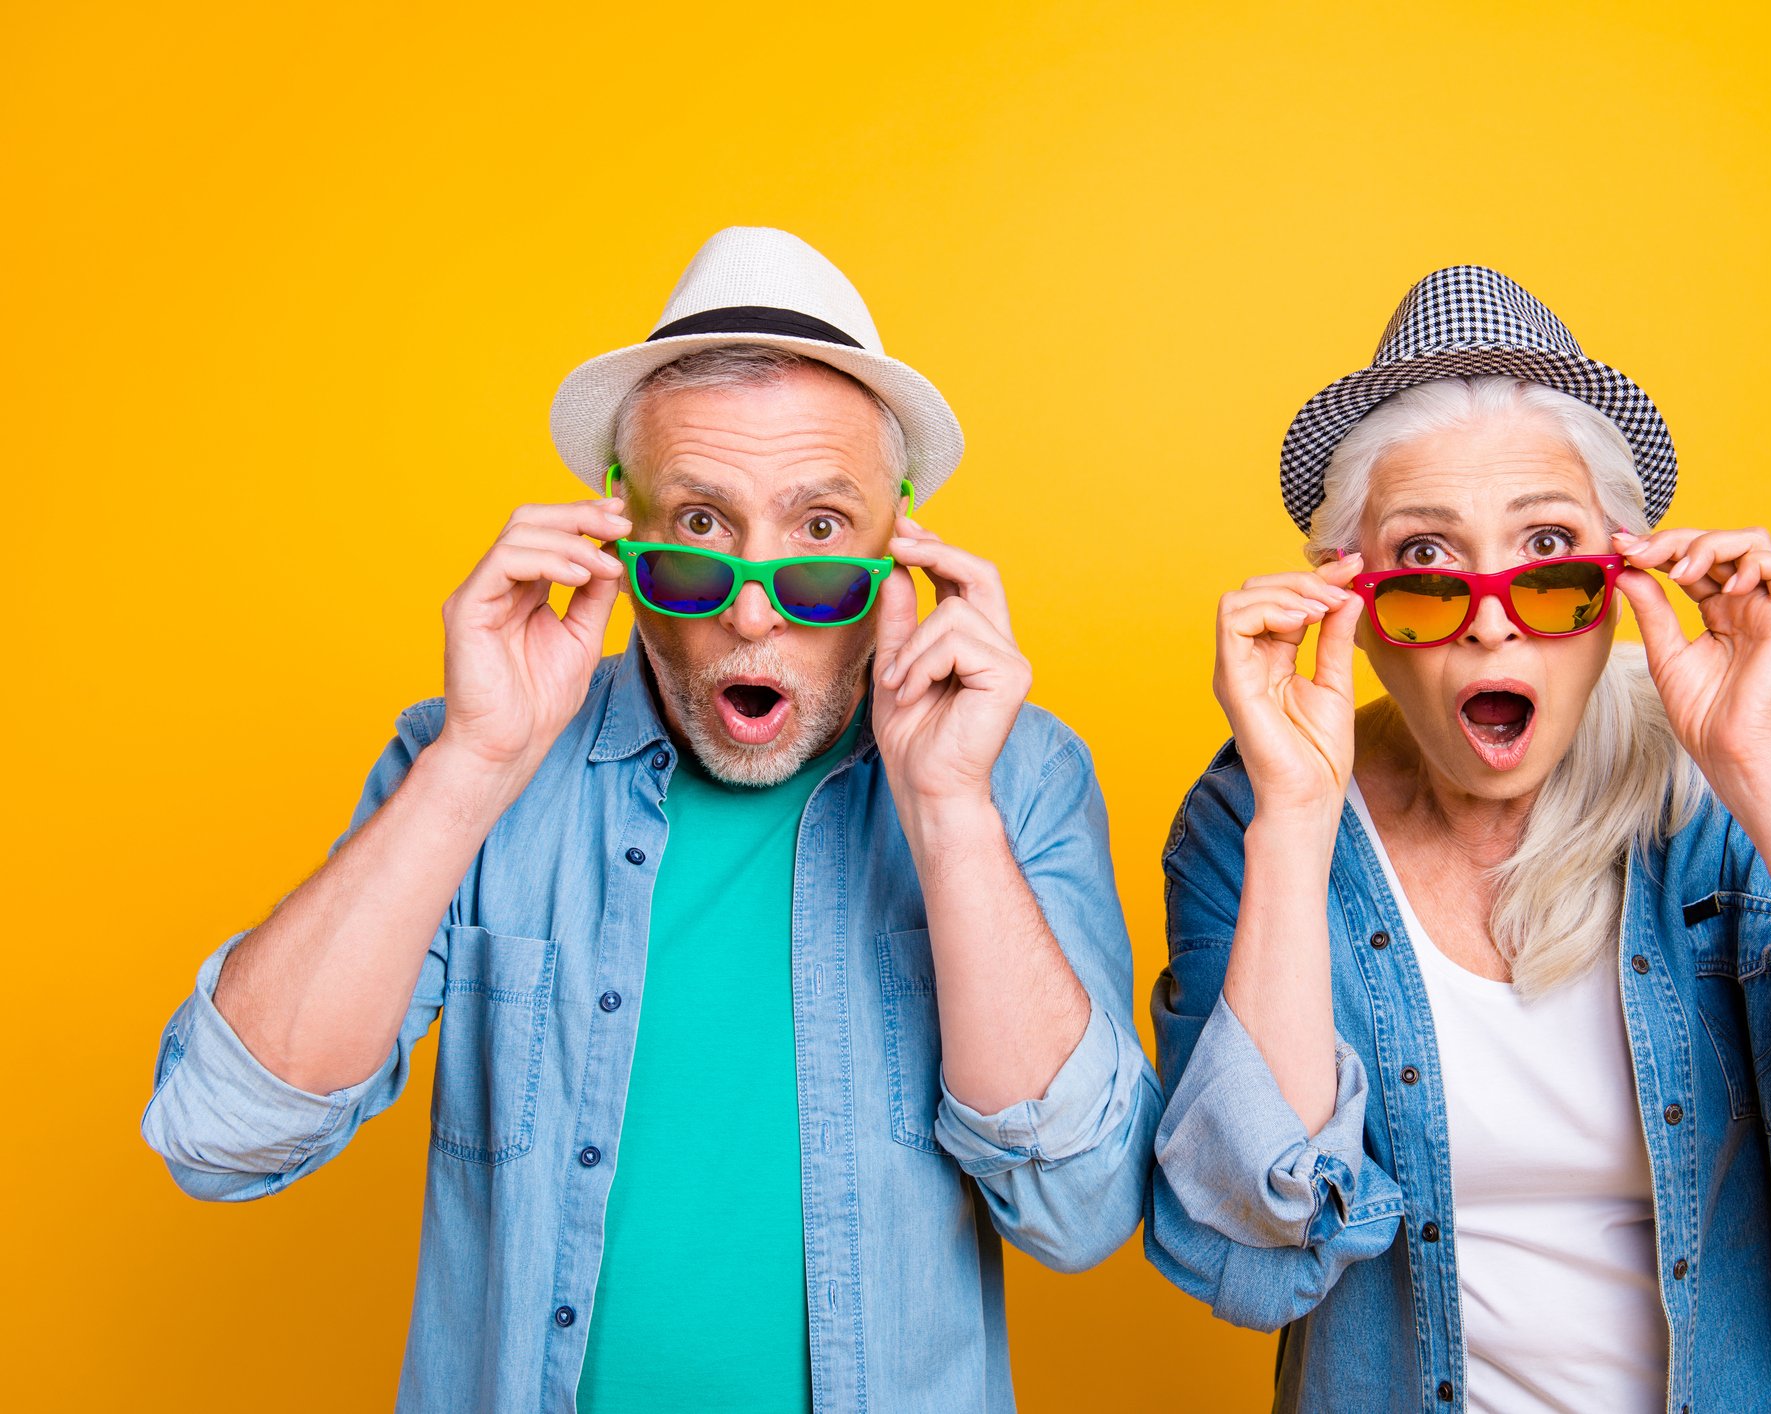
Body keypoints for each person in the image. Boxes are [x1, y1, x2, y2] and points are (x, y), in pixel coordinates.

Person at [141, 226, 1159, 1413]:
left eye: (822, 530)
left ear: (904, 544)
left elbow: (1082, 1209)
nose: (754, 609)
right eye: (702, 526)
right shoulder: (466, 760)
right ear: (621, 537)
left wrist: (948, 809)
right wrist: (477, 758)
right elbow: (223, 1134)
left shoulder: (1016, 777)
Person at [1145, 265, 1771, 1412]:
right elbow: (1251, 1257)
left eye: (1547, 555)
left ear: (1622, 580)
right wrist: (1297, 822)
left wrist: (1757, 766)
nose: (1492, 614)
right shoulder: (1254, 817)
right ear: (1346, 605)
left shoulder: (1728, 807)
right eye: (1424, 567)